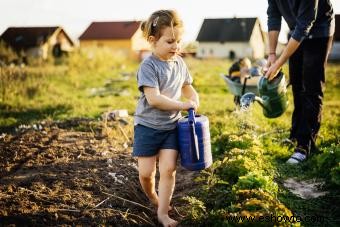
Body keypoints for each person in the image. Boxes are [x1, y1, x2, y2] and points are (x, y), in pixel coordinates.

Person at [133, 9, 199, 227]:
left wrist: (194, 100)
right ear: (153, 40)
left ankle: (163, 213)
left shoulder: (179, 63)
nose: (176, 46)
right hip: (147, 126)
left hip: (171, 126)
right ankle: (152, 196)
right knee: (146, 173)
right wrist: (182, 104)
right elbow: (154, 99)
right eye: (170, 41)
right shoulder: (148, 66)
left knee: (168, 169)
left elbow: (188, 89)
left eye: (178, 41)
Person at [265, 0, 335, 164]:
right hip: (296, 28)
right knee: (296, 84)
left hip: (319, 30)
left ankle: (305, 145)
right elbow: (273, 16)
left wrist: (278, 64)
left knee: (311, 87)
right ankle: (296, 135)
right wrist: (272, 54)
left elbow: (305, 24)